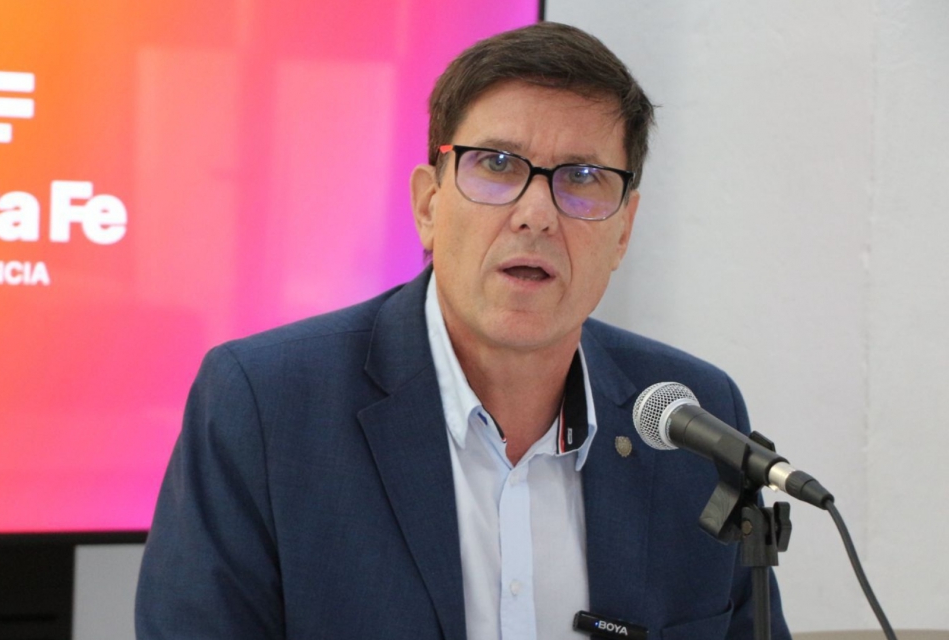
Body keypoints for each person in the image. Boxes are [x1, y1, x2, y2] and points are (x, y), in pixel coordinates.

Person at [136, 22, 792, 640]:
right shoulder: (265, 404)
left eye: (583, 178)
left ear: (622, 230)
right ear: (429, 204)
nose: (536, 214)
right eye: (498, 165)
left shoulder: (693, 418)